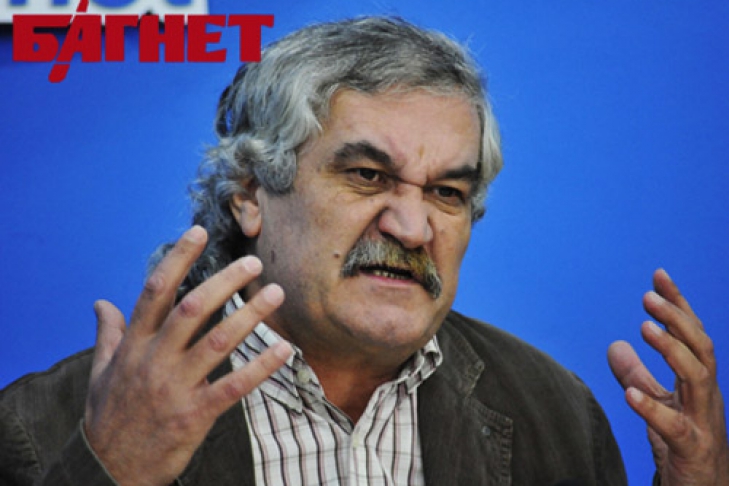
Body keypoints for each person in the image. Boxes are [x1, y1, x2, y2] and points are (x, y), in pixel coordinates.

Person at [0, 16, 727, 486]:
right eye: (366, 176)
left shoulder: (555, 413)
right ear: (250, 193)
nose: (412, 228)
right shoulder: (45, 427)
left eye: (446, 192)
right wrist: (110, 473)